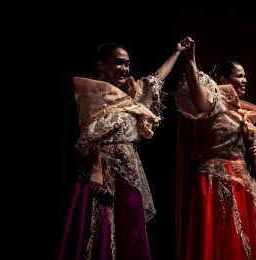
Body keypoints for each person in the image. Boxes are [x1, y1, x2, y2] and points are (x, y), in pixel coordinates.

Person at [57, 38, 188, 260]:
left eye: (127, 64)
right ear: (102, 65)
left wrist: (176, 53)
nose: (124, 68)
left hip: (128, 169)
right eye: (118, 63)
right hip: (105, 170)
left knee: (129, 228)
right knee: (102, 227)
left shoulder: (129, 94)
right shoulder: (94, 91)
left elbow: (155, 80)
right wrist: (96, 169)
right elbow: (91, 132)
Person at [174, 36, 256, 260]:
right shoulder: (212, 105)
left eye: (245, 76)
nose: (244, 80)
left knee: (241, 243)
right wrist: (190, 59)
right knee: (218, 239)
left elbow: (251, 149)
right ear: (223, 79)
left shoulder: (244, 114)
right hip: (213, 180)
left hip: (241, 181)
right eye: (239, 76)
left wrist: (253, 153)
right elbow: (194, 87)